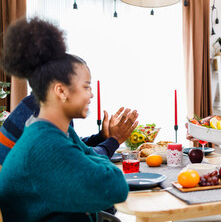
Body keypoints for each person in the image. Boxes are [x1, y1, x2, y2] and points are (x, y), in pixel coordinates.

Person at [0, 17, 138, 221]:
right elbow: (115, 187)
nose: (91, 95)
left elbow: (82, 154)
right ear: (61, 91)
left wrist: (91, 157)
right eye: (86, 86)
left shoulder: (50, 130)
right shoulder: (45, 143)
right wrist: (101, 155)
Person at [0, 93, 134, 164]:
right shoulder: (44, 112)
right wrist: (114, 140)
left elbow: (73, 146)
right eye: (85, 86)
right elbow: (82, 159)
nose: (91, 95)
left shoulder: (40, 103)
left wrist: (102, 138)